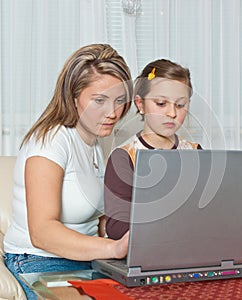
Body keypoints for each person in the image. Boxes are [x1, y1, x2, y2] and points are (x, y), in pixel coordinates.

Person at [4, 43, 133, 299]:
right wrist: (113, 248)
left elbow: (98, 219)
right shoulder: (50, 141)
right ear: (73, 97)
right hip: (39, 260)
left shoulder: (96, 140)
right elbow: (42, 233)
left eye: (119, 100)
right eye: (99, 100)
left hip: (88, 260)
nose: (113, 112)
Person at [104, 58, 202, 240]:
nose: (172, 113)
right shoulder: (124, 157)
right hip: (148, 251)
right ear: (140, 104)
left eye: (180, 105)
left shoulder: (195, 152)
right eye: (161, 103)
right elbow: (117, 227)